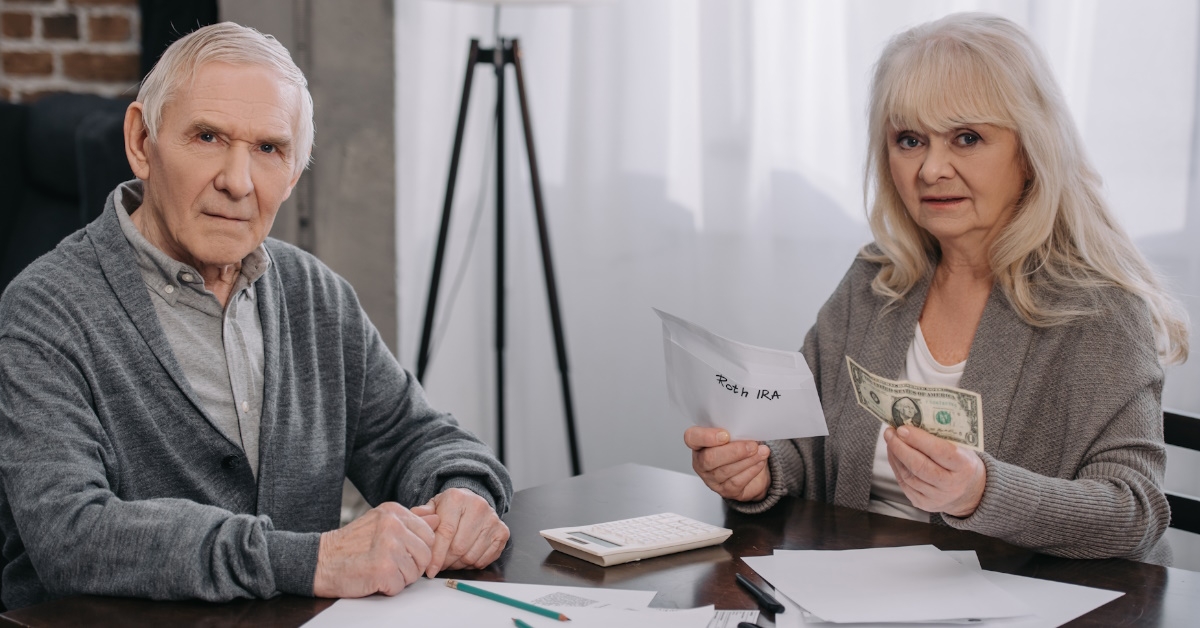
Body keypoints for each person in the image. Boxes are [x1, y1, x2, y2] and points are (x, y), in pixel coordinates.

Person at [0, 23, 512, 611]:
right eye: (208, 137)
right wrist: (311, 559)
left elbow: (413, 438)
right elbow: (72, 535)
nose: (237, 182)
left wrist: (464, 492)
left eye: (269, 149)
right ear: (142, 141)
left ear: (294, 172)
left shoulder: (315, 294)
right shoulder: (44, 310)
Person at [685, 13, 1187, 564]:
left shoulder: (1100, 310)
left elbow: (1135, 513)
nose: (931, 168)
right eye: (910, 140)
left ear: (1030, 151)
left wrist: (982, 493)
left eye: (967, 138)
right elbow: (806, 443)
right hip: (844, 591)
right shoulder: (875, 281)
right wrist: (758, 468)